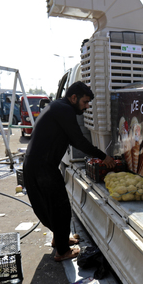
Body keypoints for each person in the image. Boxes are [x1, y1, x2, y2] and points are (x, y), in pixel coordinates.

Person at [23, 81, 115, 262]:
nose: (87, 107)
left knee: (53, 205)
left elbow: (72, 140)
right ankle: (63, 251)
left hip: (37, 165)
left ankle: (60, 239)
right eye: (85, 102)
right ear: (74, 98)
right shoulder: (65, 110)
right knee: (61, 206)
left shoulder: (59, 106)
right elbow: (78, 141)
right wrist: (104, 157)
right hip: (42, 167)